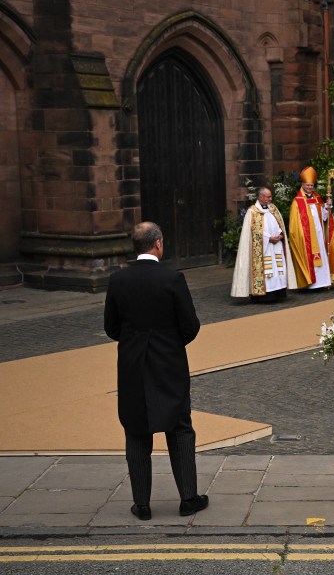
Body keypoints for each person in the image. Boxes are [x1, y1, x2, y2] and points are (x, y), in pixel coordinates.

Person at [103, 222, 209, 521]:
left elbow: (111, 327)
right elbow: (190, 325)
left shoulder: (118, 280)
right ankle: (188, 498)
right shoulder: (172, 278)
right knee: (180, 428)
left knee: (136, 431)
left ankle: (142, 504)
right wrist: (170, 344)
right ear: (158, 244)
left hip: (133, 366)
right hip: (169, 364)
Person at [230, 187, 297, 302]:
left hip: (276, 246)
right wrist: (268, 238)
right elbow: (252, 232)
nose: (270, 199)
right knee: (266, 271)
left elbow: (280, 225)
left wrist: (281, 235)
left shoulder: (273, 209)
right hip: (263, 249)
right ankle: (263, 297)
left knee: (277, 269)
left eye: (270, 196)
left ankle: (278, 293)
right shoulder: (252, 212)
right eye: (267, 197)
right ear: (260, 197)